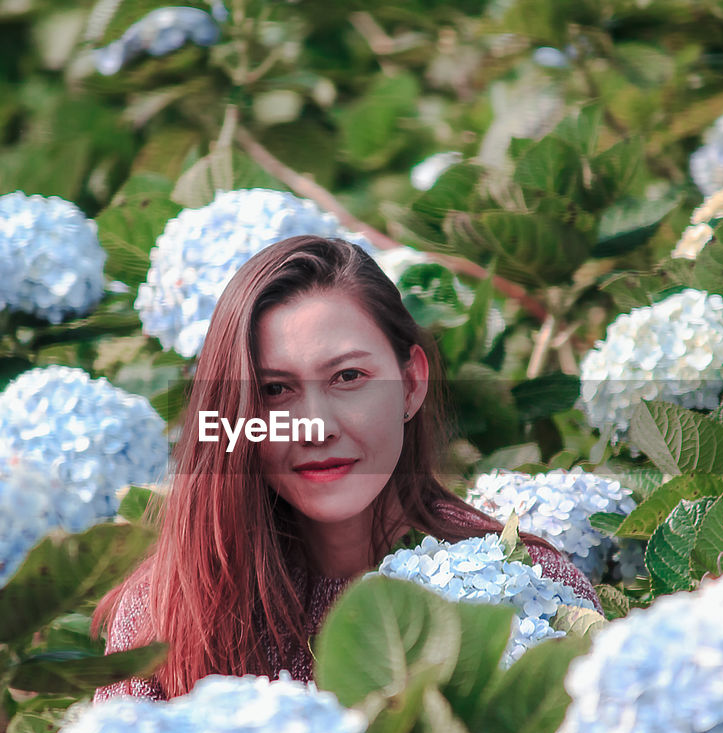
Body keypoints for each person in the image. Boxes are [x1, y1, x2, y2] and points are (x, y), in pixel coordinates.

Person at [92, 234, 601, 702]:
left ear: (411, 385)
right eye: (275, 390)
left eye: (347, 376)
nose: (315, 427)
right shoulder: (167, 610)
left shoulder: (533, 583)